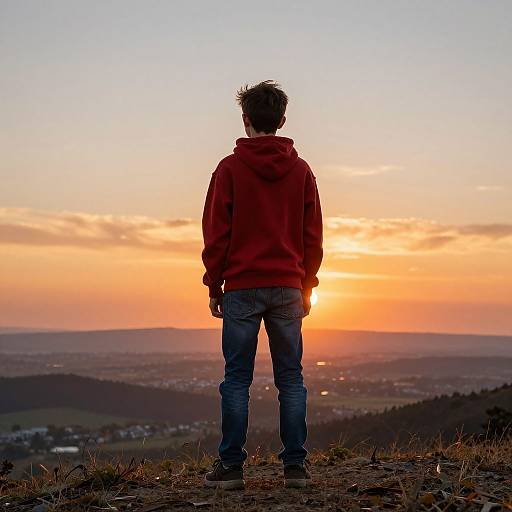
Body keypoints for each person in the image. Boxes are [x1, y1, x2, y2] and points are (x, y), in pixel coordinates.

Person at [201, 80, 323, 489]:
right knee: (291, 378)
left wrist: (214, 284)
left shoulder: (230, 169)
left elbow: (216, 233)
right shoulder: (302, 171)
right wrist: (307, 284)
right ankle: (295, 468)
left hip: (242, 287)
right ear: (283, 120)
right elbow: (312, 236)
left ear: (245, 119)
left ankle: (231, 467)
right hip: (288, 286)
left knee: (237, 379)